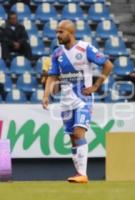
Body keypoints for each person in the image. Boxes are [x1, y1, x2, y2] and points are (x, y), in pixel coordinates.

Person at [42, 20, 113, 183]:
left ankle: (82, 174)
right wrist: (46, 95)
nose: (57, 35)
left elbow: (108, 65)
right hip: (65, 101)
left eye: (61, 32)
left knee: (78, 133)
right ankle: (79, 173)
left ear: (71, 33)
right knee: (73, 138)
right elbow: (52, 76)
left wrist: (96, 85)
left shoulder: (85, 48)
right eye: (57, 32)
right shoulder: (57, 54)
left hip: (83, 99)